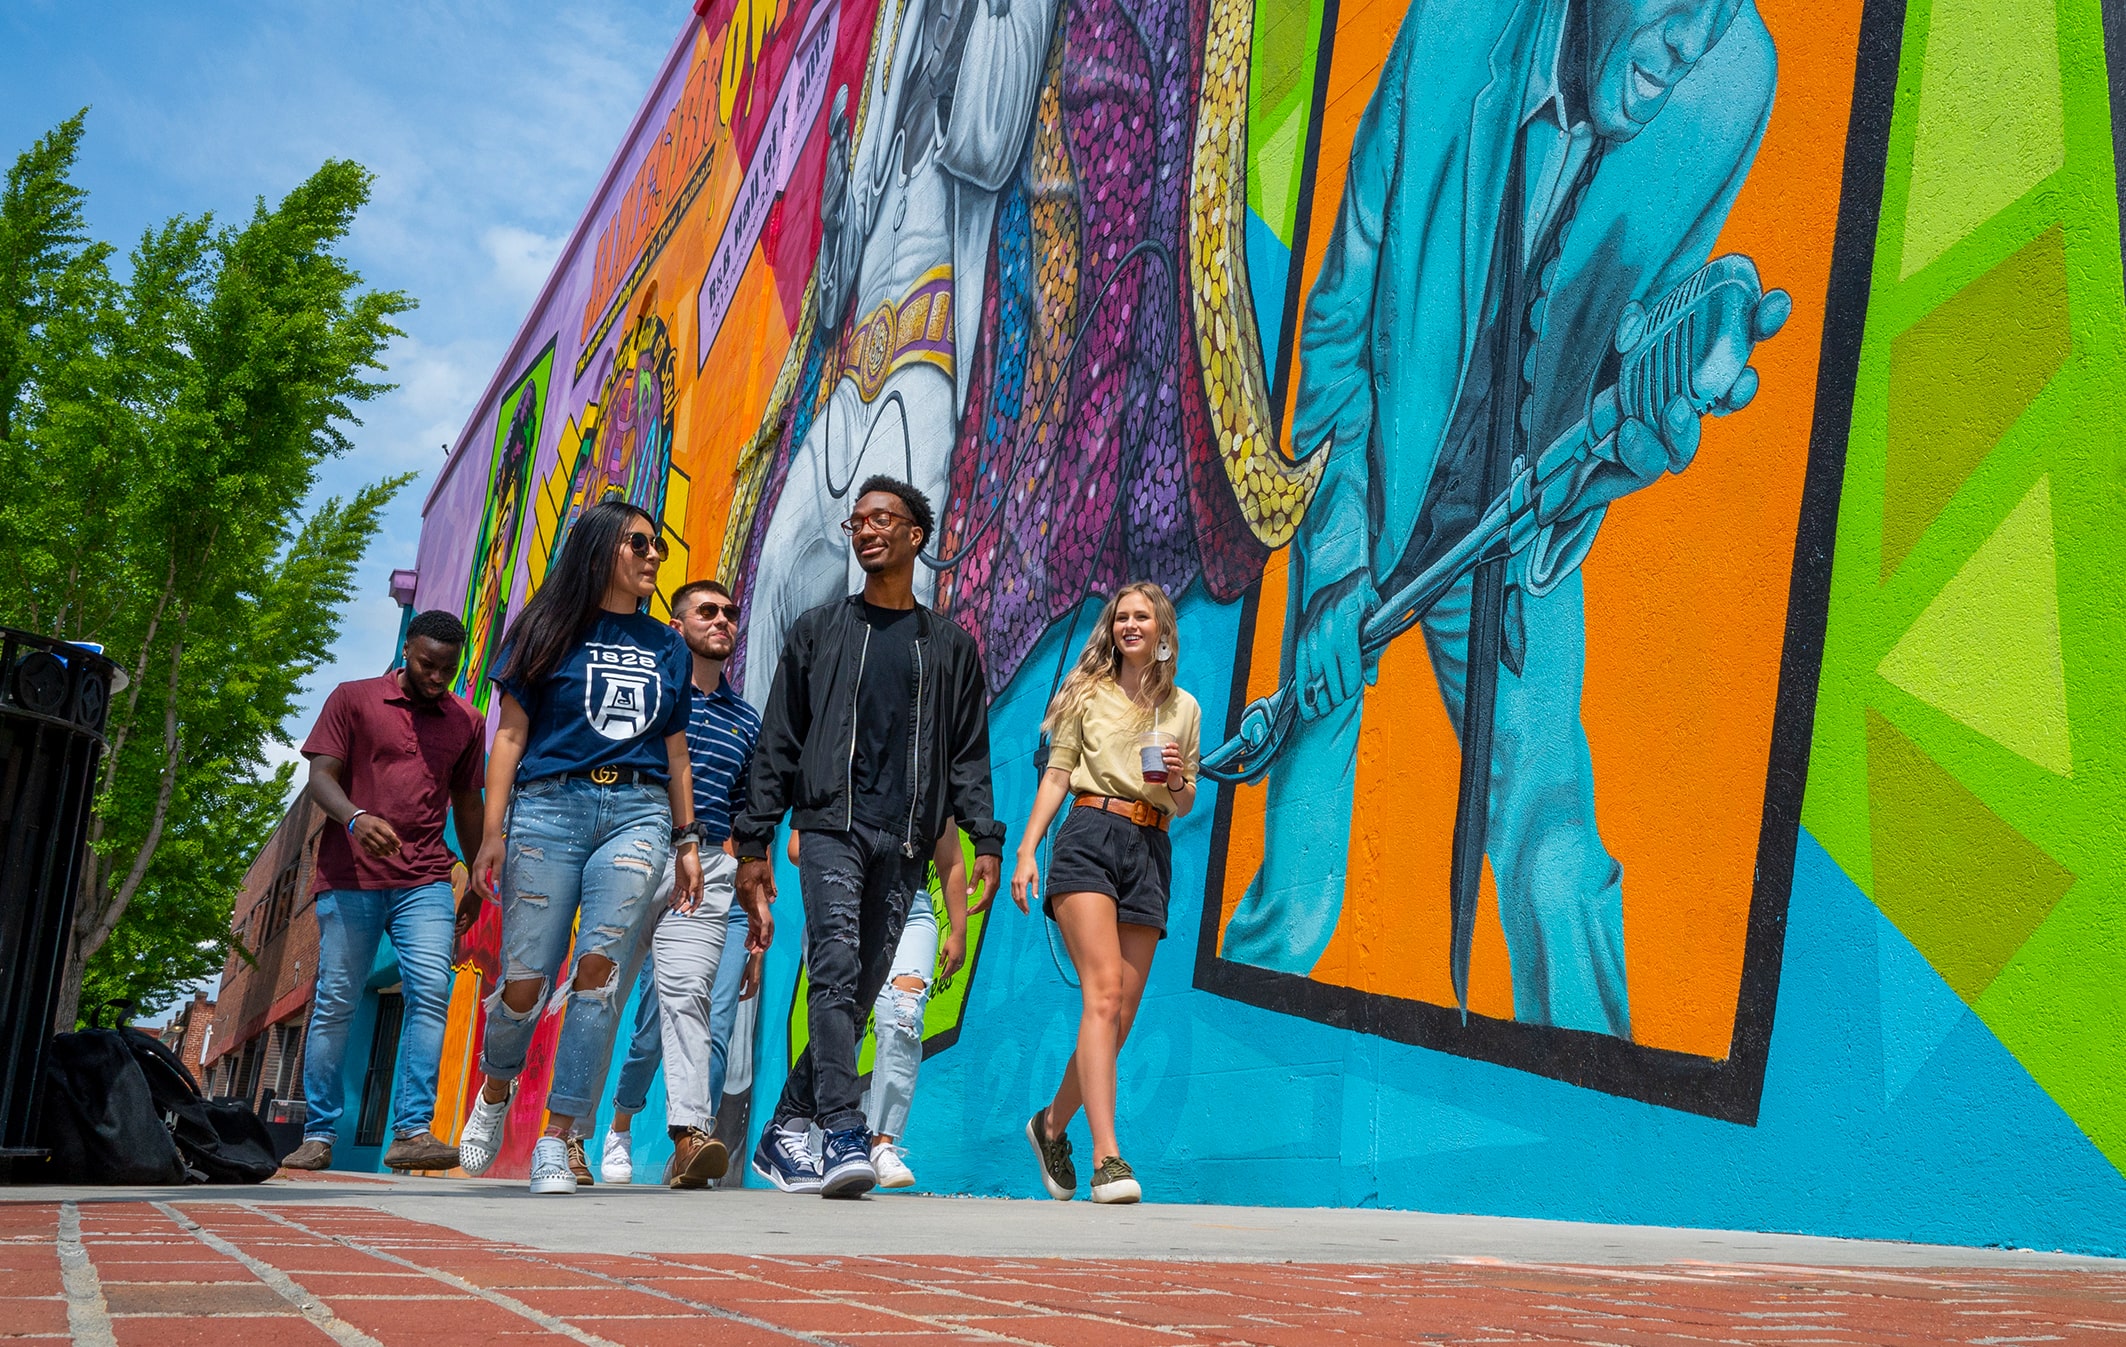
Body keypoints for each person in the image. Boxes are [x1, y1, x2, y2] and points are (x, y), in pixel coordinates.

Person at [1220, 0, 1786, 1035]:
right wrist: (1338, 570)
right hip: (1372, 493)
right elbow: (1341, 327)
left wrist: (1635, 439)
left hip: (1517, 542)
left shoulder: (1728, 85)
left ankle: (1607, 1135)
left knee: (1554, 861)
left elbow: (1625, 346)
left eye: (1722, 9)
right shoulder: (1449, 33)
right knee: (1294, 905)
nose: (1690, 38)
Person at [735, 475, 1003, 1198]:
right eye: (856, 521)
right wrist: (755, 842)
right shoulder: (818, 632)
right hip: (830, 824)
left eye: (883, 518)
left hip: (907, 837)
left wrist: (985, 839)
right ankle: (842, 1131)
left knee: (859, 989)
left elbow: (967, 753)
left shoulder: (950, 646)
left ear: (917, 535)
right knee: (834, 964)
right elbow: (777, 743)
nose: (865, 529)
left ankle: (785, 1126)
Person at [455, 498, 711, 1195]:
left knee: (597, 971)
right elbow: (508, 736)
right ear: (602, 549)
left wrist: (687, 839)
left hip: (638, 810)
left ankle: (556, 1135)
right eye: (639, 543)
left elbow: (677, 750)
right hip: (548, 808)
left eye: (658, 544)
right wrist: (492, 832)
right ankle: (497, 1084)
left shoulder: (667, 644)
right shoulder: (545, 628)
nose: (654, 555)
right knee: (525, 981)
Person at [1000, 582, 1199, 1204]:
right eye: (1121, 618)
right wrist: (1028, 849)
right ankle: (1106, 1158)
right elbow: (1057, 774)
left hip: (1151, 845)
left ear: (1163, 629)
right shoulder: (1085, 694)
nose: (1129, 626)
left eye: (1142, 617)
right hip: (1088, 834)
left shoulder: (1184, 709)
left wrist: (1172, 778)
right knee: (1103, 994)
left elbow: (1186, 799)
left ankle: (1051, 1124)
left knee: (1122, 1015)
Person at [282, 611, 487, 1173]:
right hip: (349, 879)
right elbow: (320, 775)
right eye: (427, 664)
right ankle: (320, 1133)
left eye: (448, 667)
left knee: (431, 990)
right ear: (405, 650)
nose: (437, 676)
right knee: (336, 1002)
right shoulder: (353, 699)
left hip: (424, 878)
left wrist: (476, 876)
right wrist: (354, 818)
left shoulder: (467, 721)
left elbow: (468, 803)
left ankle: (411, 1131)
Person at [786, 826, 970, 1189]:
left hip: (910, 903)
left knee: (904, 1012)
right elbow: (796, 847)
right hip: (844, 896)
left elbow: (950, 857)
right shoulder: (838, 769)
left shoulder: (927, 773)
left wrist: (958, 930)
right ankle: (822, 1134)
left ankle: (881, 1143)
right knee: (841, 1017)